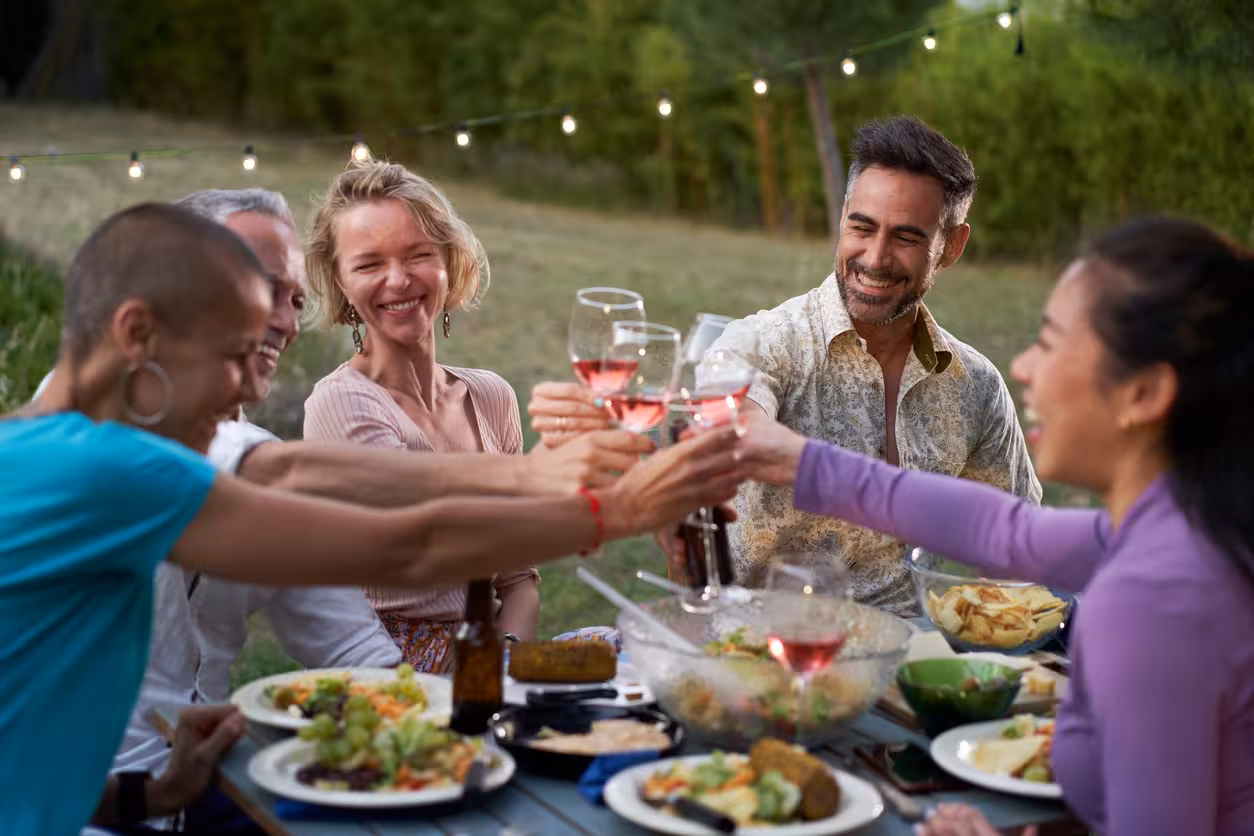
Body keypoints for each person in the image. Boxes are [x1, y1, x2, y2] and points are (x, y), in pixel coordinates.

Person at [1, 203, 742, 836]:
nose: (243, 390)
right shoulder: (111, 472)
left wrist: (149, 795)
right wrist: (621, 511)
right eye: (232, 356)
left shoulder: (38, 450)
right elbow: (409, 544)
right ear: (137, 334)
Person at [736, 217, 1254, 836]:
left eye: (1052, 340)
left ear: (1143, 392)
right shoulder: (1191, 526)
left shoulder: (1151, 600)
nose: (1024, 365)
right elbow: (1006, 533)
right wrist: (797, 460)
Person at [531, 114, 1040, 615]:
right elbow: (733, 434)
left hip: (912, 664)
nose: (875, 258)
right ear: (842, 216)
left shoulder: (975, 385)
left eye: (906, 238)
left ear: (951, 246)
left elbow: (1022, 543)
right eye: (861, 227)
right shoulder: (761, 342)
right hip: (761, 656)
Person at [302, 162, 643, 669]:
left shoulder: (490, 396)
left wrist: (506, 662)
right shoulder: (340, 405)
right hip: (389, 666)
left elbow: (518, 579)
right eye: (370, 264)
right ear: (341, 281)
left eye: (418, 255)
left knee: (633, 650)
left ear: (449, 262)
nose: (398, 280)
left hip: (488, 653)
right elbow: (438, 534)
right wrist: (546, 475)